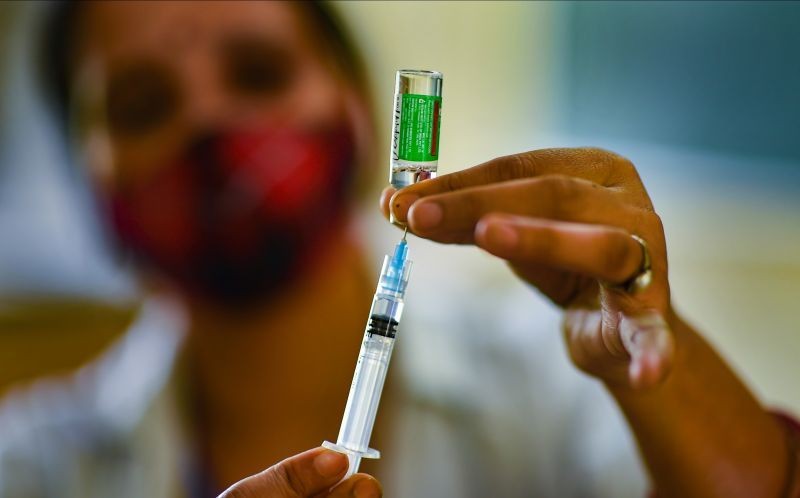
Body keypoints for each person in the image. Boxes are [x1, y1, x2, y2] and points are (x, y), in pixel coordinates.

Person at [0, 1, 796, 497]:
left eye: (260, 72)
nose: (209, 124)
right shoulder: (28, 466)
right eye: (141, 104)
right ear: (83, 178)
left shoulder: (546, 386)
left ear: (357, 108)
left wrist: (658, 372)